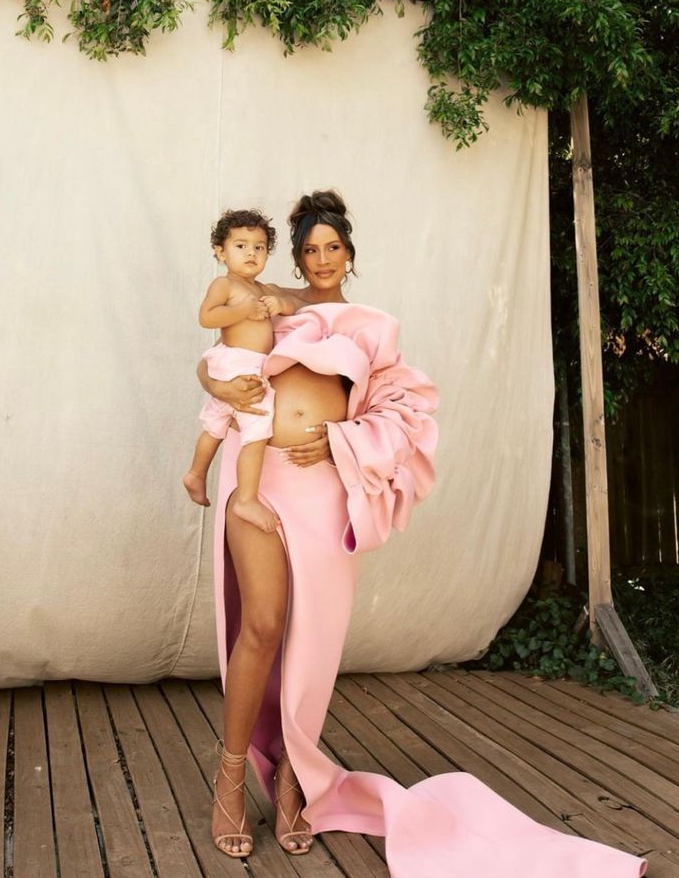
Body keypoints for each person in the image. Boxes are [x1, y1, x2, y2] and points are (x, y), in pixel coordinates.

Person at [198, 191, 648, 877]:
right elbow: (222, 354)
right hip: (257, 477)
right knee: (258, 625)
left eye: (333, 248)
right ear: (295, 258)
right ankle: (231, 781)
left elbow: (404, 413)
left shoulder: (374, 326)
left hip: (323, 488)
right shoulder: (273, 306)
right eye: (310, 250)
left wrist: (344, 440)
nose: (322, 259)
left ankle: (293, 780)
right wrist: (207, 374)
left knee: (311, 638)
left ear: (350, 252)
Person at [183, 209, 303, 531]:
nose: (251, 252)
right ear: (220, 252)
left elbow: (294, 302)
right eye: (241, 245)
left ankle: (195, 473)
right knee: (257, 429)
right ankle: (247, 499)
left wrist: (281, 305)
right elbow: (206, 317)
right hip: (240, 363)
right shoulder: (224, 284)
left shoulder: (263, 289)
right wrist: (241, 310)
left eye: (259, 247)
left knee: (216, 424)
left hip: (235, 365)